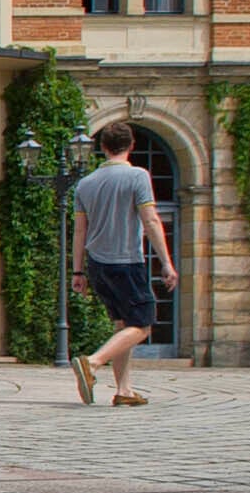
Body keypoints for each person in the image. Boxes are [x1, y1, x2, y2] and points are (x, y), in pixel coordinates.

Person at [72, 121, 176, 406]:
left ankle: (124, 391)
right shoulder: (137, 176)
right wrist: (166, 262)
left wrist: (77, 270)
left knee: (123, 325)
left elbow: (80, 231)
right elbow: (151, 220)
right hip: (127, 262)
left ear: (103, 147)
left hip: (97, 265)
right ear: (131, 145)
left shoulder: (85, 183)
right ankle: (92, 363)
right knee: (142, 326)